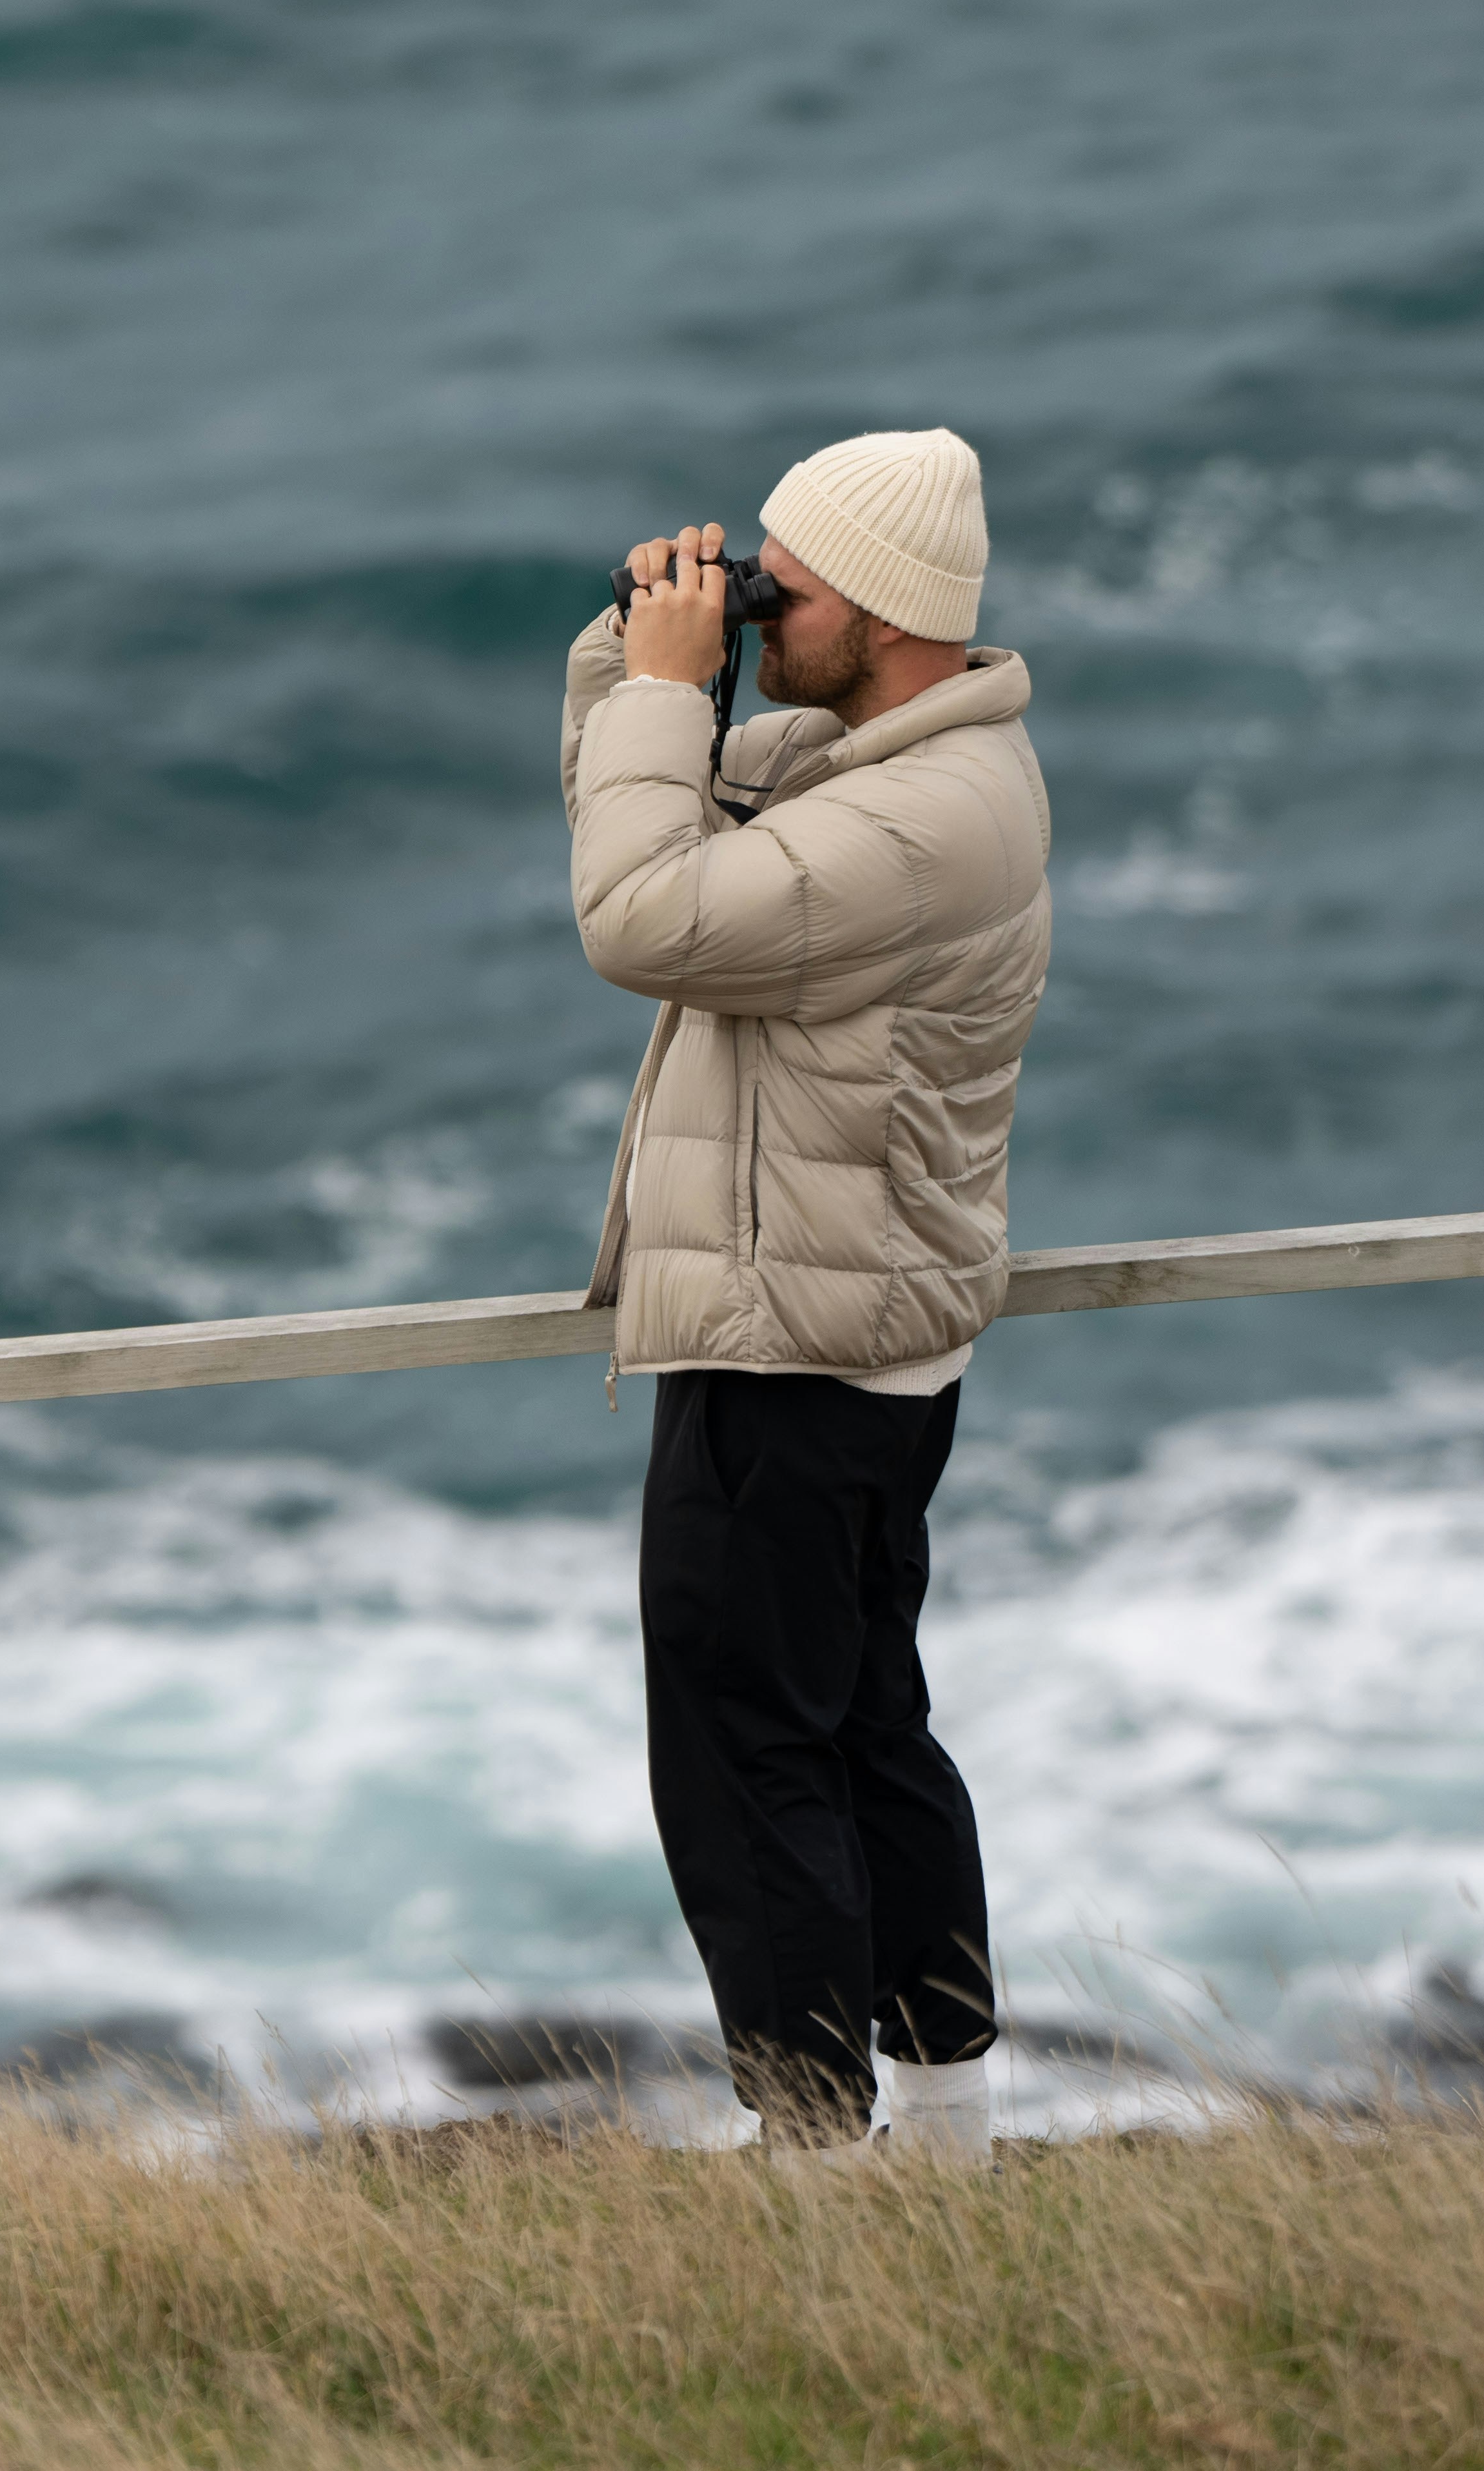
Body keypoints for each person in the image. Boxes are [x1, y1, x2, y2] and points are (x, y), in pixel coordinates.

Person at [559, 426, 1050, 2159]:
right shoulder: (899, 762)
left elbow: (643, 913)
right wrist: (640, 654)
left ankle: (816, 2162)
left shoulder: (912, 823)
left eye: (794, 582)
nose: (765, 603)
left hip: (792, 1352)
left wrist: (664, 688)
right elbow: (656, 796)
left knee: (746, 1765)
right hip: (861, 1336)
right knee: (860, 1731)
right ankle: (950, 2139)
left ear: (893, 614)